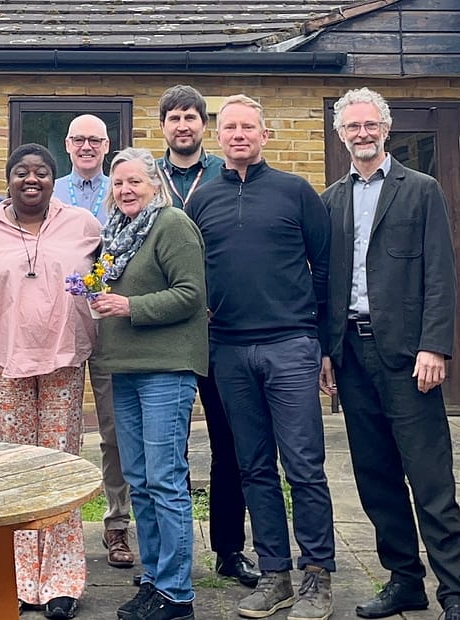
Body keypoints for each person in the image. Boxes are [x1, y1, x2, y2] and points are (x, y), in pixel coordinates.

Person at [186, 95, 335, 620]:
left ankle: (317, 575)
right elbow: (191, 274)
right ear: (217, 136)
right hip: (228, 349)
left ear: (265, 135)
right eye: (230, 127)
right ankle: (276, 575)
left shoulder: (295, 192)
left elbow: (325, 267)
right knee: (254, 467)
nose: (239, 134)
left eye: (249, 127)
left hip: (290, 346)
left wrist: (320, 341)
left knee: (304, 467)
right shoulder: (200, 201)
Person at [319, 87, 460, 620]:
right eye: (351, 126)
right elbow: (327, 283)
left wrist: (435, 345)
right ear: (340, 133)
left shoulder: (420, 190)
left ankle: (454, 589)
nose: (361, 133)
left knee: (430, 478)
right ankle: (405, 582)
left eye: (369, 124)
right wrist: (327, 350)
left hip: (408, 356)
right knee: (375, 478)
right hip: (352, 355)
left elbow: (440, 275)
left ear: (385, 127)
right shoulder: (331, 199)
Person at [0, 143, 100, 619]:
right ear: (9, 179)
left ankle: (62, 581)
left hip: (63, 362)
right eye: (22, 172)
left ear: (53, 179)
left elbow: (107, 281)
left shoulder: (83, 225)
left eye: (41, 172)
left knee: (60, 470)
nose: (31, 179)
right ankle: (18, 578)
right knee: (14, 472)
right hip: (4, 364)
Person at [89, 148, 206, 620]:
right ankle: (156, 579)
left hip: (165, 368)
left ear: (155, 184)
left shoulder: (172, 225)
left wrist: (129, 306)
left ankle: (178, 594)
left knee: (164, 480)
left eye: (135, 181)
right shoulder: (116, 233)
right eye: (118, 184)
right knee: (138, 480)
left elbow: (191, 293)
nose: (126, 190)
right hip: (125, 367)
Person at [156, 85, 258, 589]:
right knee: (163, 450)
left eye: (191, 117)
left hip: (221, 334)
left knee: (230, 443)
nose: (183, 125)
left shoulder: (226, 174)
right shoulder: (145, 178)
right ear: (163, 126)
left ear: (204, 125)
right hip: (167, 334)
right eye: (174, 117)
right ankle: (162, 558)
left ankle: (229, 549)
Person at [54, 115, 135, 571]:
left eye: (95, 140)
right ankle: (52, 518)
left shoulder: (120, 190)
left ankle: (117, 523)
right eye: (79, 139)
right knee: (58, 432)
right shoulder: (50, 190)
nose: (87, 146)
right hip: (61, 324)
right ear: (68, 144)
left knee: (113, 430)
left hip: (110, 325)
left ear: (107, 146)